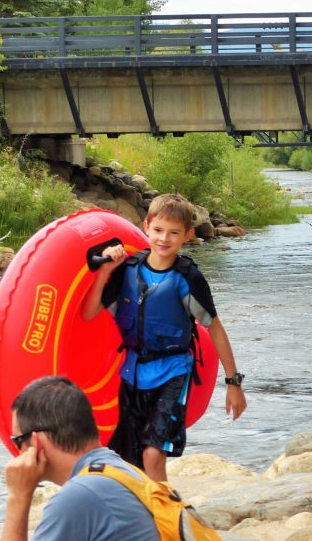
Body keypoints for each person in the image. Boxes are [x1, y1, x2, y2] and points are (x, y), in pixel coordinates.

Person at [80, 193, 247, 482]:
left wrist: (233, 383)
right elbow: (88, 313)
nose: (164, 239)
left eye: (174, 233)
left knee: (153, 455)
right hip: (132, 375)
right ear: (146, 226)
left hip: (172, 373)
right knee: (128, 461)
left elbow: (215, 328)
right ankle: (143, 518)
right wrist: (105, 271)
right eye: (158, 230)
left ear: (188, 235)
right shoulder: (127, 270)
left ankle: (165, 521)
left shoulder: (187, 278)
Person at [1, 376, 160, 540]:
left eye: (17, 441)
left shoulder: (79, 496)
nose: (17, 453)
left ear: (36, 443)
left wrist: (18, 497)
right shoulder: (121, 470)